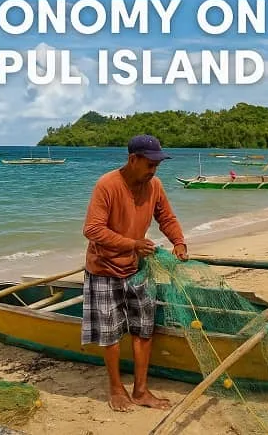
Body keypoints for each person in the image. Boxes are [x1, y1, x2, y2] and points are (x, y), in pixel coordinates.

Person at [81, 134, 188, 412]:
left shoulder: (155, 186)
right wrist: (132, 244)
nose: (154, 170)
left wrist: (179, 242)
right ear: (132, 159)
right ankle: (116, 389)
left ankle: (141, 391)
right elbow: (92, 229)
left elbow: (166, 217)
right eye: (150, 164)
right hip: (104, 268)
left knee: (143, 329)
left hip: (136, 267)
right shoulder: (107, 184)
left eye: (157, 165)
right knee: (110, 333)